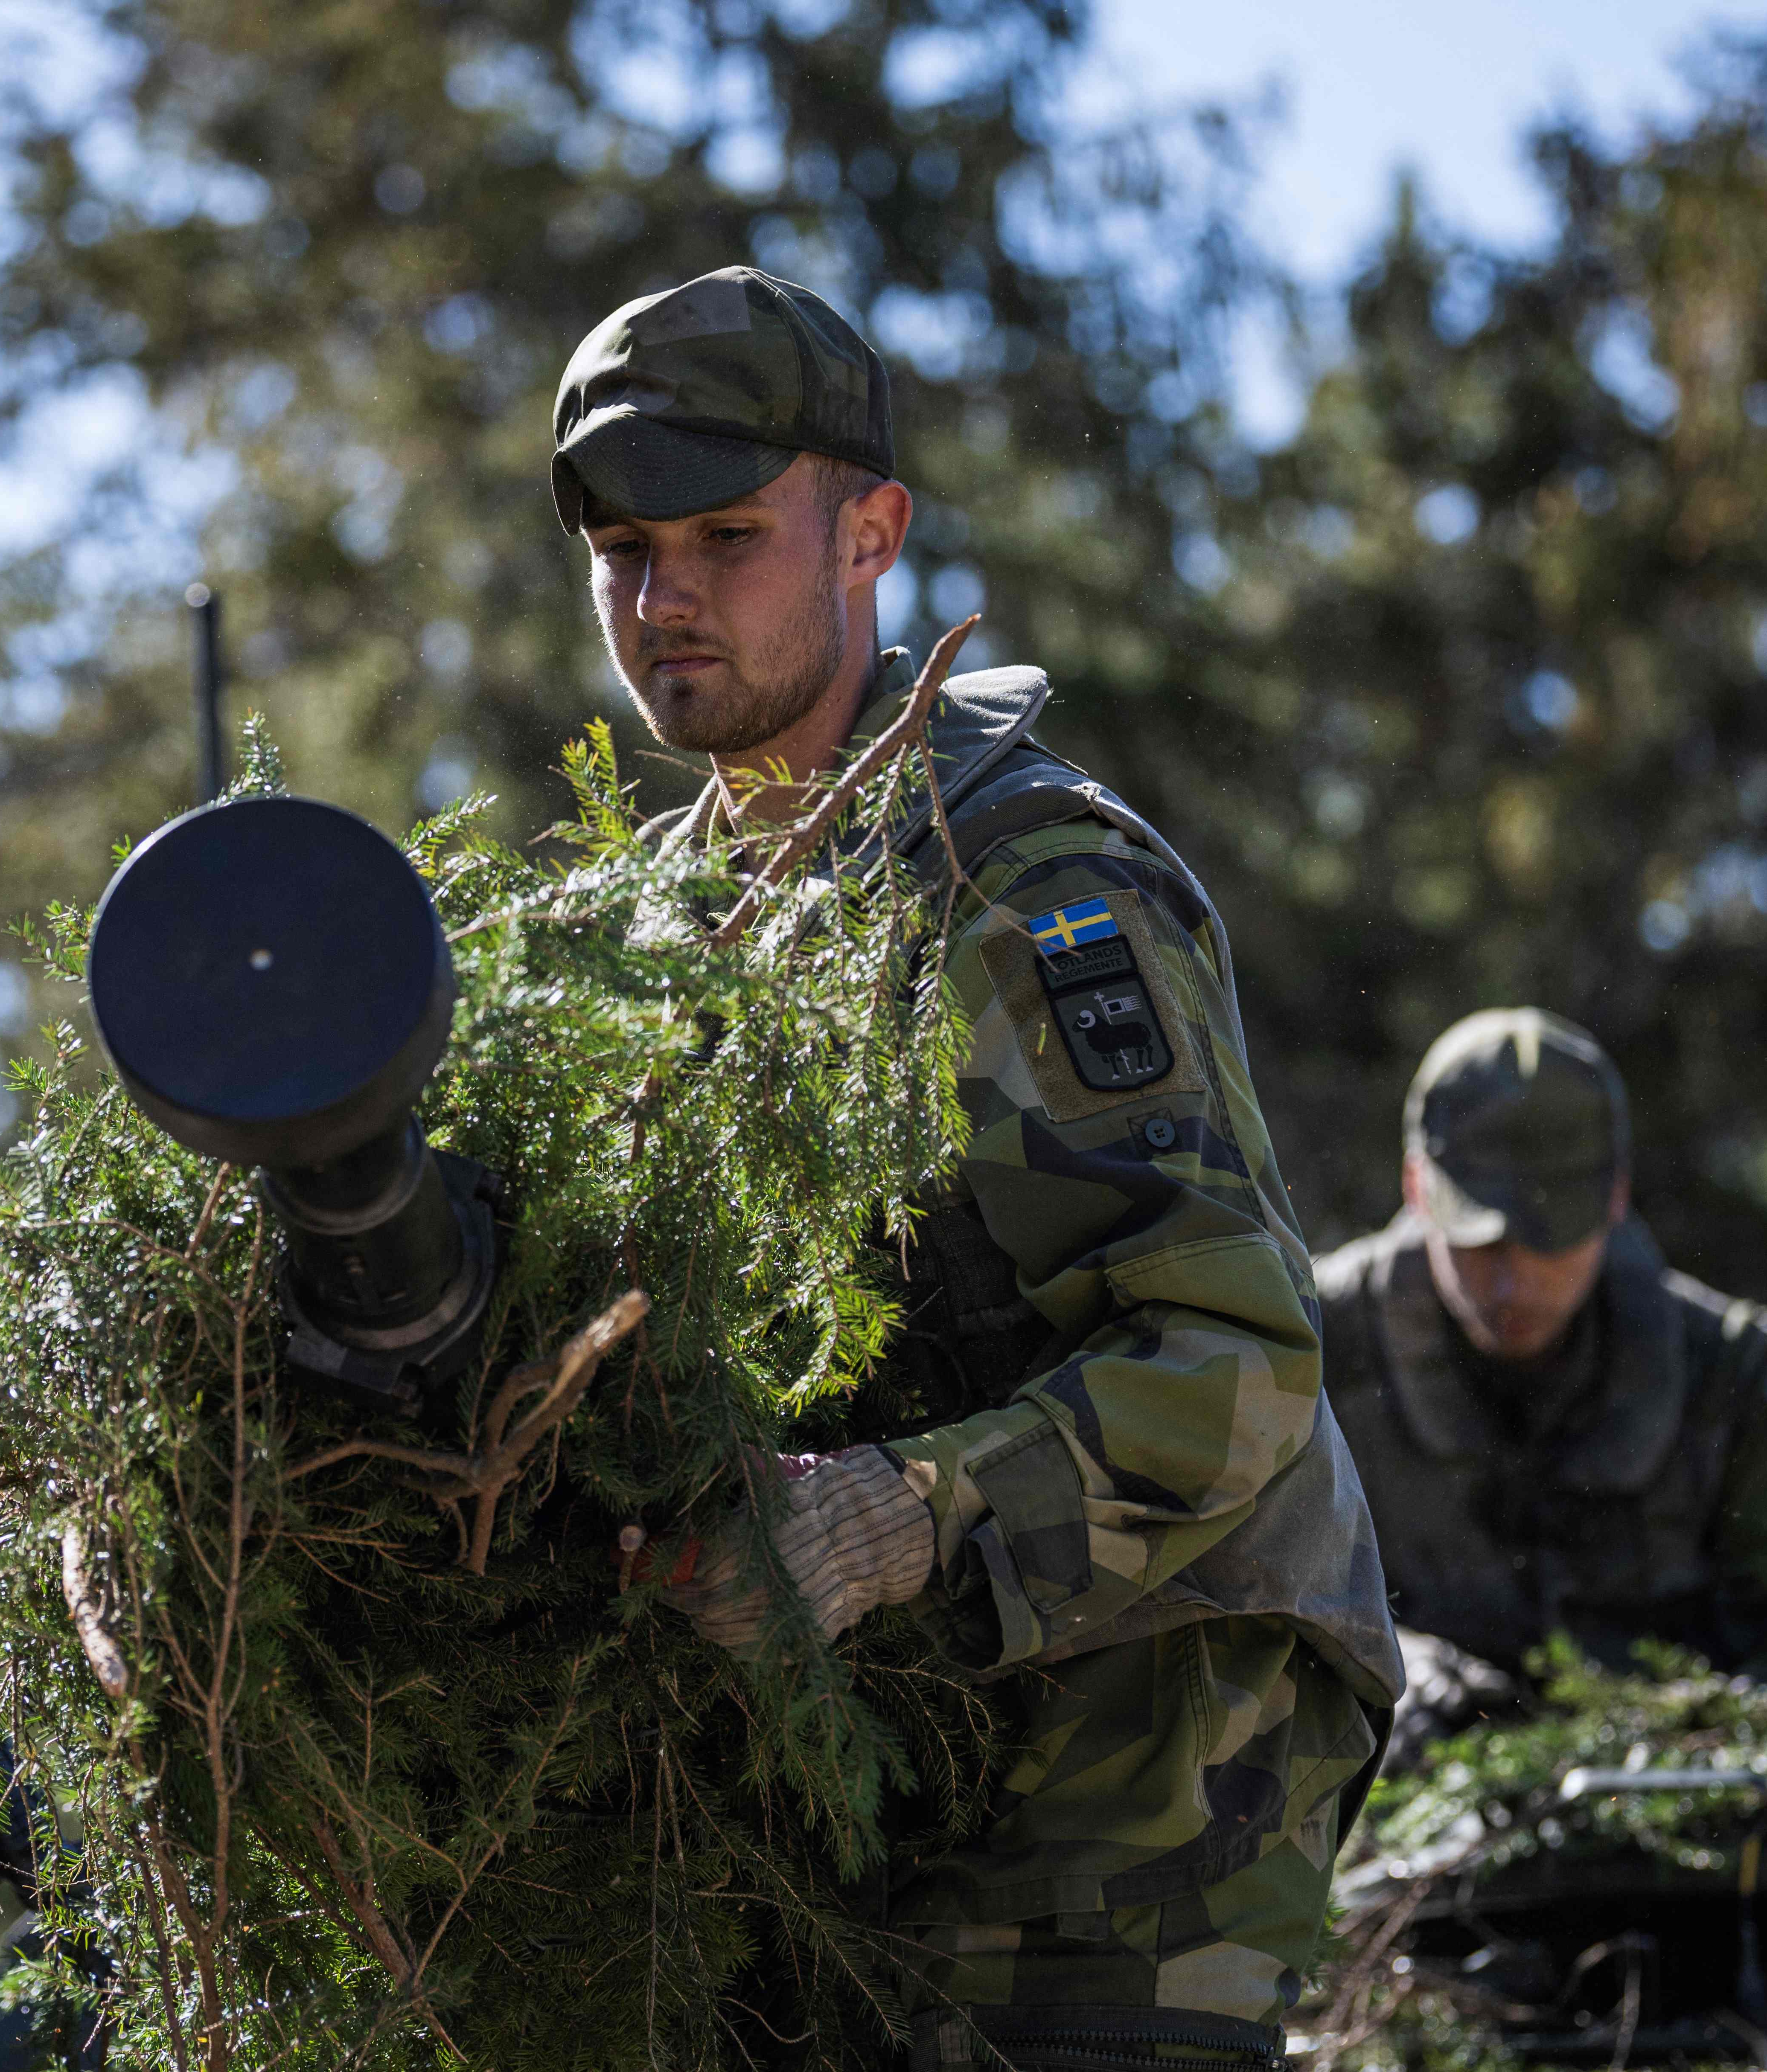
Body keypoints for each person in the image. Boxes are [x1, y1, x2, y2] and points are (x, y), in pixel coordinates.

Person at [557, 267, 1403, 2072]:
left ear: (872, 536)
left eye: (727, 532)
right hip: (872, 1744)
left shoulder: (1020, 890)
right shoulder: (651, 932)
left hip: (1147, 1726)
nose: (666, 595)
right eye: (624, 548)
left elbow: (1238, 1358)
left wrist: (892, 1512)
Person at [1315, 1008, 1767, 1762]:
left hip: (1676, 1820)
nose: (1513, 1277)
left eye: (1550, 1233)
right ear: (1414, 1186)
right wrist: (1385, 1674)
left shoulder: (1714, 1369)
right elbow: (1228, 1599)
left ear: (1615, 1198)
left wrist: (1710, 1731)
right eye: (1480, 1237)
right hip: (1370, 1813)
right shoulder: (1313, 1347)